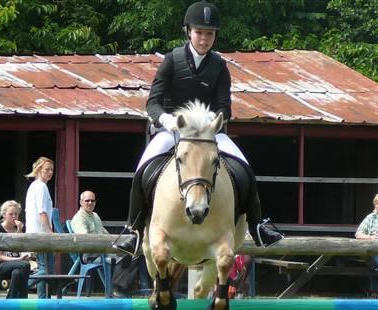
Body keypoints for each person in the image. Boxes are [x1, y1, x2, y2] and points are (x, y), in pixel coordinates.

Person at [113, 1, 283, 256]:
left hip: (208, 134)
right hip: (172, 132)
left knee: (244, 167)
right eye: (199, 33)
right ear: (188, 31)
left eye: (209, 34)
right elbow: (153, 103)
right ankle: (133, 229)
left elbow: (225, 106)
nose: (204, 39)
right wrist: (166, 121)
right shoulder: (171, 60)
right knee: (143, 169)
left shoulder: (219, 66)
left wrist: (215, 121)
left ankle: (258, 224)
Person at [25, 156, 55, 299]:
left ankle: (44, 300)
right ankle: (21, 284)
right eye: (47, 169)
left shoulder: (33, 187)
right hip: (41, 233)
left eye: (51, 170)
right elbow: (42, 212)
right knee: (45, 269)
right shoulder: (41, 187)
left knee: (46, 268)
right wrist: (49, 232)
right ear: (38, 170)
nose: (50, 172)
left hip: (35, 232)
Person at [0, 200, 31, 299]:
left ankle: (11, 301)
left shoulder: (19, 229)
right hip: (1, 265)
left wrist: (19, 231)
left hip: (17, 264)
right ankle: (23, 299)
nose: (14, 217)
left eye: (16, 214)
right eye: (11, 214)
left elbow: (20, 248)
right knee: (25, 265)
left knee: (17, 273)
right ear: (4, 215)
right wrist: (18, 260)